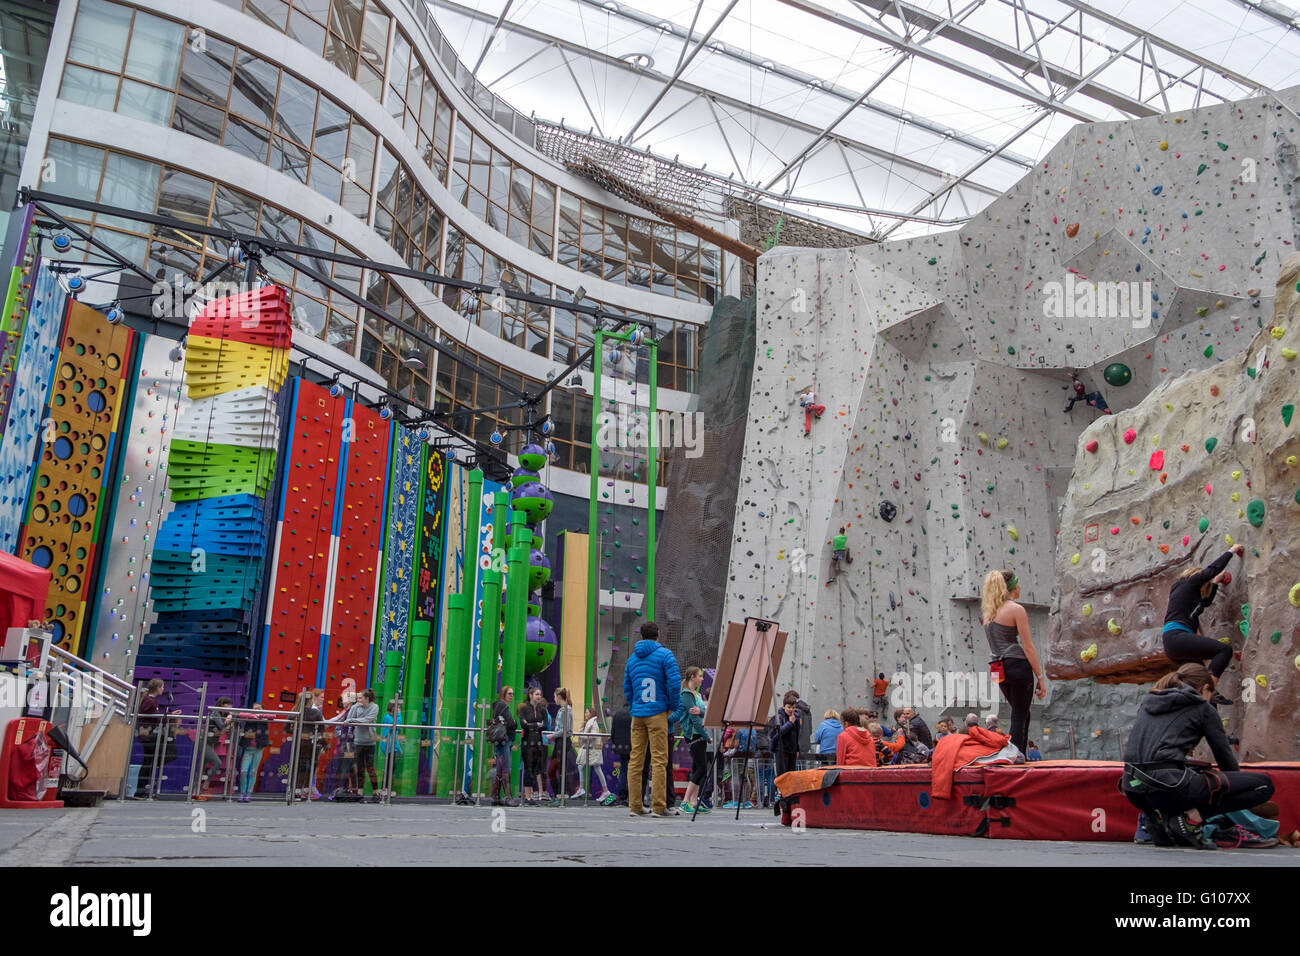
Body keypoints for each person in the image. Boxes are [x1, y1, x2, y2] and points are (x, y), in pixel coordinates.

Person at [1121, 663, 1274, 849]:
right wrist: (1233, 795)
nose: (1211, 701)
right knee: (1264, 785)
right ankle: (1192, 818)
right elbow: (1225, 760)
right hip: (1169, 786)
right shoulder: (1202, 708)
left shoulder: (1149, 701)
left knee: (1180, 776)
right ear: (1205, 688)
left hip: (1132, 788)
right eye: (1212, 695)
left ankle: (1158, 818)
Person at [981, 569, 1047, 755]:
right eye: (1018, 584)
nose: (1020, 587)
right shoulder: (1016, 610)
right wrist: (1040, 677)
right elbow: (1028, 647)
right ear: (1012, 587)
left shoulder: (988, 613)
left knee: (1021, 710)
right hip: (1016, 663)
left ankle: (1020, 754)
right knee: (1019, 712)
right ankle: (1015, 753)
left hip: (996, 666)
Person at [623, 620, 682, 818]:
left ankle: (635, 806)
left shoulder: (632, 659)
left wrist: (635, 706)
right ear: (658, 634)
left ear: (641, 635)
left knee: (635, 760)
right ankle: (659, 806)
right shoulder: (665, 655)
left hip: (638, 714)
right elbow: (674, 683)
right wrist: (671, 707)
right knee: (659, 760)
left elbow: (627, 688)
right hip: (657, 713)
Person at [1163, 545, 1242, 687]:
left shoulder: (1184, 593)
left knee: (1199, 677)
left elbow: (1204, 603)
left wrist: (1216, 582)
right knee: (1224, 650)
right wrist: (1232, 551)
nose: (1205, 588)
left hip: (1173, 644)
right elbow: (1211, 570)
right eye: (1205, 585)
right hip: (1177, 637)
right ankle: (1209, 688)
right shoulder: (1189, 583)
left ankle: (1205, 699)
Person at [134, 678, 179, 799]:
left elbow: (155, 718)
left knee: (149, 762)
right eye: (162, 687)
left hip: (148, 736)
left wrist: (169, 716)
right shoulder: (150, 701)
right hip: (148, 736)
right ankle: (140, 791)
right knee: (149, 763)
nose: (163, 689)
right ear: (158, 688)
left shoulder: (151, 701)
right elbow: (154, 719)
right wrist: (167, 717)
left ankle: (142, 790)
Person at [674, 667, 710, 814]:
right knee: (702, 768)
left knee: (697, 768)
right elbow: (695, 719)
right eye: (700, 676)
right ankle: (685, 801)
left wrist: (702, 712)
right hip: (694, 735)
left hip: (700, 735)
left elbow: (706, 712)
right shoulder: (687, 695)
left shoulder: (698, 695)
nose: (702, 679)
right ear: (692, 677)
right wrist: (707, 736)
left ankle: (694, 802)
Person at [343, 689, 380, 801]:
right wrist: (353, 721)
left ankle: (375, 792)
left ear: (367, 699)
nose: (358, 700)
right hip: (358, 741)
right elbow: (349, 718)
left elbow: (368, 720)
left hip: (370, 741)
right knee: (359, 768)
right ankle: (359, 792)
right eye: (358, 698)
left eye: (360, 698)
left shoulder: (374, 707)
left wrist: (354, 720)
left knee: (370, 767)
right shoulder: (356, 707)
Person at [194, 696, 233, 801]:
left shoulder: (218, 714)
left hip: (209, 743)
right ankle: (205, 785)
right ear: (222, 705)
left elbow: (222, 730)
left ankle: (196, 790)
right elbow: (221, 727)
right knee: (217, 762)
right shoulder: (216, 713)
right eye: (228, 706)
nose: (230, 708)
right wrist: (228, 720)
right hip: (205, 742)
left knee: (202, 767)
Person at [289, 689, 325, 800]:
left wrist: (297, 733)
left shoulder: (294, 711)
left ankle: (293, 790)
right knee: (307, 768)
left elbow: (286, 728)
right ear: (310, 701)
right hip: (310, 745)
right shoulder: (315, 713)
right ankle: (302, 790)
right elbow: (321, 729)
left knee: (296, 766)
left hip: (297, 744)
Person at [545, 687, 580, 803]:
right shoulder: (563, 710)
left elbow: (565, 729)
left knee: (560, 769)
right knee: (552, 770)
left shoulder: (565, 710)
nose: (554, 699)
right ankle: (558, 794)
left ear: (559, 697)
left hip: (562, 742)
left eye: (555, 696)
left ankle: (561, 795)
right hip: (560, 742)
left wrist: (552, 736)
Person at [577, 706, 615, 805]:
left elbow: (593, 735)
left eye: (587, 712)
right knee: (584, 766)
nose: (585, 714)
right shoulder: (590, 723)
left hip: (592, 750)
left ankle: (605, 791)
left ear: (591, 714)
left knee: (595, 768)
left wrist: (582, 734)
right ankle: (584, 788)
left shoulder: (593, 723)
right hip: (591, 749)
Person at [234, 702, 270, 802]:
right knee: (243, 772)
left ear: (263, 709)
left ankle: (248, 794)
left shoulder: (264, 718)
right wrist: (253, 715)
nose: (256, 711)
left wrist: (260, 715)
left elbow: (272, 715)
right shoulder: (249, 718)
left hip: (258, 749)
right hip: (248, 749)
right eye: (254, 709)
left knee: (253, 772)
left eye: (258, 709)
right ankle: (242, 793)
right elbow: (240, 714)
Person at [518, 686, 548, 804]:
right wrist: (536, 724)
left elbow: (546, 725)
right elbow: (523, 724)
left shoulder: (542, 709)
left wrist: (531, 724)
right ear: (530, 695)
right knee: (528, 767)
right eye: (536, 694)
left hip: (538, 742)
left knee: (536, 768)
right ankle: (527, 796)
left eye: (540, 694)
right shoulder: (524, 708)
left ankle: (532, 794)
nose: (539, 696)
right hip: (527, 742)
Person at [489, 687, 518, 807]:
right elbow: (512, 723)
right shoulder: (502, 706)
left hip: (501, 741)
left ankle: (496, 796)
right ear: (503, 694)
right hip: (503, 741)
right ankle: (508, 797)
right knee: (506, 768)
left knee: (500, 769)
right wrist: (514, 722)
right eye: (509, 693)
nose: (512, 696)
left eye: (513, 693)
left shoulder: (499, 706)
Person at [772, 691, 802, 777]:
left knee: (791, 775)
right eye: (789, 707)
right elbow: (779, 732)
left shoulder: (796, 717)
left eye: (793, 708)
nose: (791, 710)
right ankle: (781, 790)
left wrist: (797, 749)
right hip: (782, 749)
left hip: (792, 750)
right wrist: (790, 723)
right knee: (782, 775)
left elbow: (797, 735)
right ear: (784, 706)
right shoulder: (779, 716)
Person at [610, 705, 632, 805]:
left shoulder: (617, 714)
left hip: (620, 747)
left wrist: (615, 743)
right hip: (632, 747)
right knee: (633, 770)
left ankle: (622, 794)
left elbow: (613, 731)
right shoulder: (633, 713)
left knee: (623, 770)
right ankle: (631, 795)